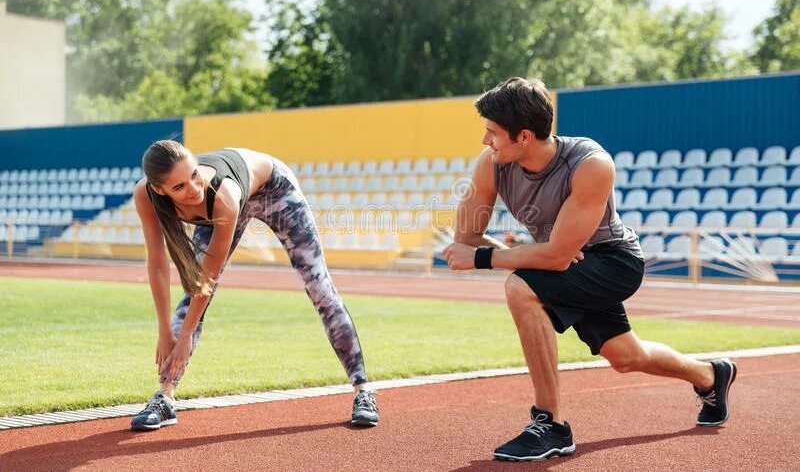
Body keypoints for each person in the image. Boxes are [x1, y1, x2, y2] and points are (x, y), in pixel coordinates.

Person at [443, 78, 736, 462]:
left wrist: (521, 257)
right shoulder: (493, 164)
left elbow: (554, 258)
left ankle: (551, 424)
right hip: (570, 263)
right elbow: (466, 239)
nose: (485, 141)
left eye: (493, 133)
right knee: (626, 357)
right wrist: (533, 254)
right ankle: (710, 376)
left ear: (525, 136)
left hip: (615, 261)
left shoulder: (590, 164)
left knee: (521, 288)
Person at [130, 140, 379, 430]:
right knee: (189, 300)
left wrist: (185, 339)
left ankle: (363, 391)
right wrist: (164, 330)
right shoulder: (145, 195)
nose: (194, 189)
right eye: (180, 187)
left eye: (195, 175)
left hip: (274, 190)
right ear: (159, 189)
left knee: (319, 286)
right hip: (229, 203)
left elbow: (208, 278)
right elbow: (158, 262)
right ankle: (165, 397)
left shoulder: (221, 194)